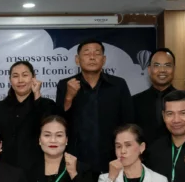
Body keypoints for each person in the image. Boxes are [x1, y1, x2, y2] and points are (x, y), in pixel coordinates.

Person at [55, 39, 134, 174]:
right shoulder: (66, 85)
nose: (92, 57)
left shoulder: (118, 85)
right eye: (86, 53)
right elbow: (58, 122)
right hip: (76, 159)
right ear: (77, 60)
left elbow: (129, 121)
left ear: (104, 60)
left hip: (112, 158)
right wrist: (68, 97)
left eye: (97, 53)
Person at [0, 60, 55, 173]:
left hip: (38, 169)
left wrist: (37, 96)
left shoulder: (46, 105)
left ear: (33, 78)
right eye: (15, 76)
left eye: (25, 75)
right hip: (6, 169)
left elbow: (50, 130)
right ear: (10, 80)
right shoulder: (0, 108)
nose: (20, 80)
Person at [131, 48, 177, 144]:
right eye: (157, 65)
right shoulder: (134, 101)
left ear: (174, 69)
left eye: (167, 65)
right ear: (149, 69)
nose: (162, 70)